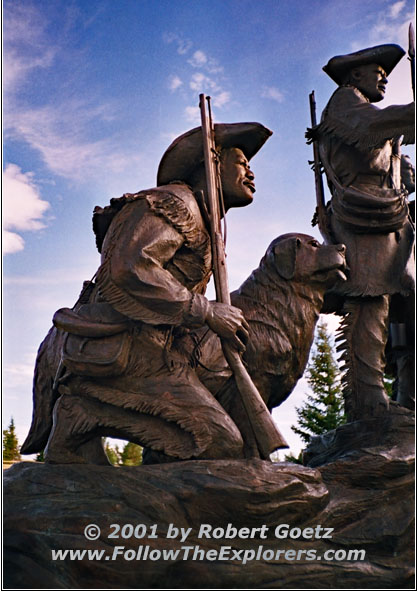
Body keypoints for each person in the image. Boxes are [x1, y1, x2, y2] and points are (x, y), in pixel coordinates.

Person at [42, 122, 273, 464]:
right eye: (240, 162)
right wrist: (207, 312)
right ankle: (82, 413)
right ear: (212, 163)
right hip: (132, 348)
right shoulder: (175, 204)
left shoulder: (208, 221)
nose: (250, 172)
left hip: (162, 349)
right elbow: (129, 266)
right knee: (219, 443)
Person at [314, 44, 415, 420]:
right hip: (362, 217)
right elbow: (375, 126)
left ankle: (408, 397)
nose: (385, 76)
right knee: (370, 302)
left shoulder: (368, 112)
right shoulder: (345, 103)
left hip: (392, 220)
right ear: (354, 75)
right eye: (377, 70)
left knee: (406, 311)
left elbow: (399, 162)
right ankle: (368, 403)